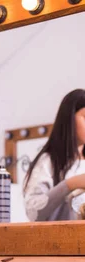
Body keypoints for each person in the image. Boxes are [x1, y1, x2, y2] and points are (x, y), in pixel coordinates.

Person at [23, 89, 85, 221]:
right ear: (69, 118)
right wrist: (69, 184)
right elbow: (33, 213)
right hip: (60, 241)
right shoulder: (48, 162)